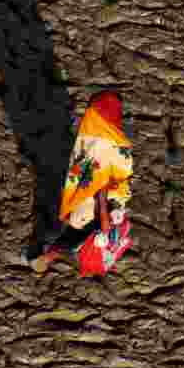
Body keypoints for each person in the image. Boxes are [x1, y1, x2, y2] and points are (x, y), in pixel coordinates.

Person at [23, 90, 133, 275]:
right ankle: (47, 257)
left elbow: (93, 166)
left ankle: (46, 257)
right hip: (94, 207)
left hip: (92, 207)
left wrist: (102, 194)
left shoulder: (96, 128)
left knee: (71, 236)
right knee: (70, 238)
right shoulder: (116, 140)